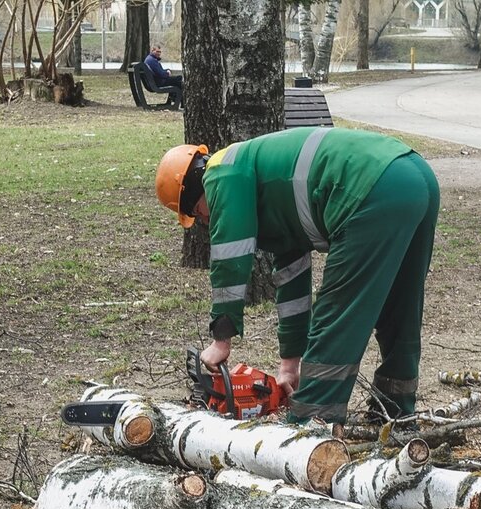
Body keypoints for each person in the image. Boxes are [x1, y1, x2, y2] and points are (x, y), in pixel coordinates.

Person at [155, 128, 440, 426]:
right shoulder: (265, 185)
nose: (204, 220)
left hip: (371, 187)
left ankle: (310, 426)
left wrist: (221, 340)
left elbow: (229, 257)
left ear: (190, 191)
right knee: (400, 307)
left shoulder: (221, 174)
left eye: (198, 214)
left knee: (337, 317)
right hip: (415, 174)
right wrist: (290, 364)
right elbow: (292, 279)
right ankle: (395, 414)